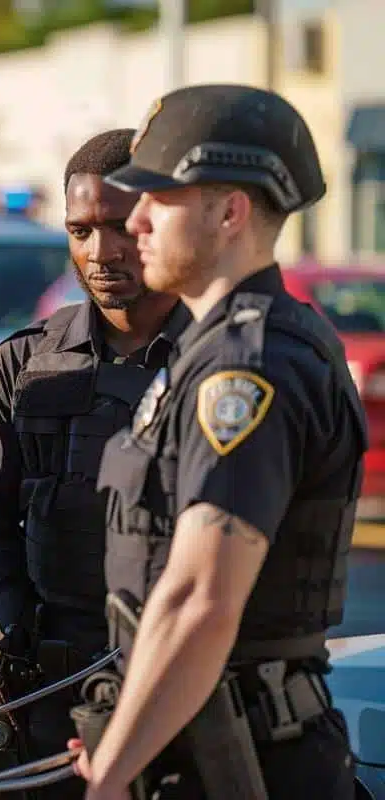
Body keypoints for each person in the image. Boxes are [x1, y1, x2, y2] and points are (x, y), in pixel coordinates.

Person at [75, 84, 365, 800]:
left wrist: (109, 779)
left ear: (231, 212)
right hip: (202, 746)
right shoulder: (215, 349)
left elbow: (201, 598)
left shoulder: (248, 365)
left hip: (245, 763)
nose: (133, 221)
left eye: (157, 199)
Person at [0, 128, 190, 800]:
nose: (100, 252)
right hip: (52, 698)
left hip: (192, 695)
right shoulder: (22, 365)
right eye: (81, 229)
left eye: (119, 226)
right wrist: (21, 629)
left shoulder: (220, 362)